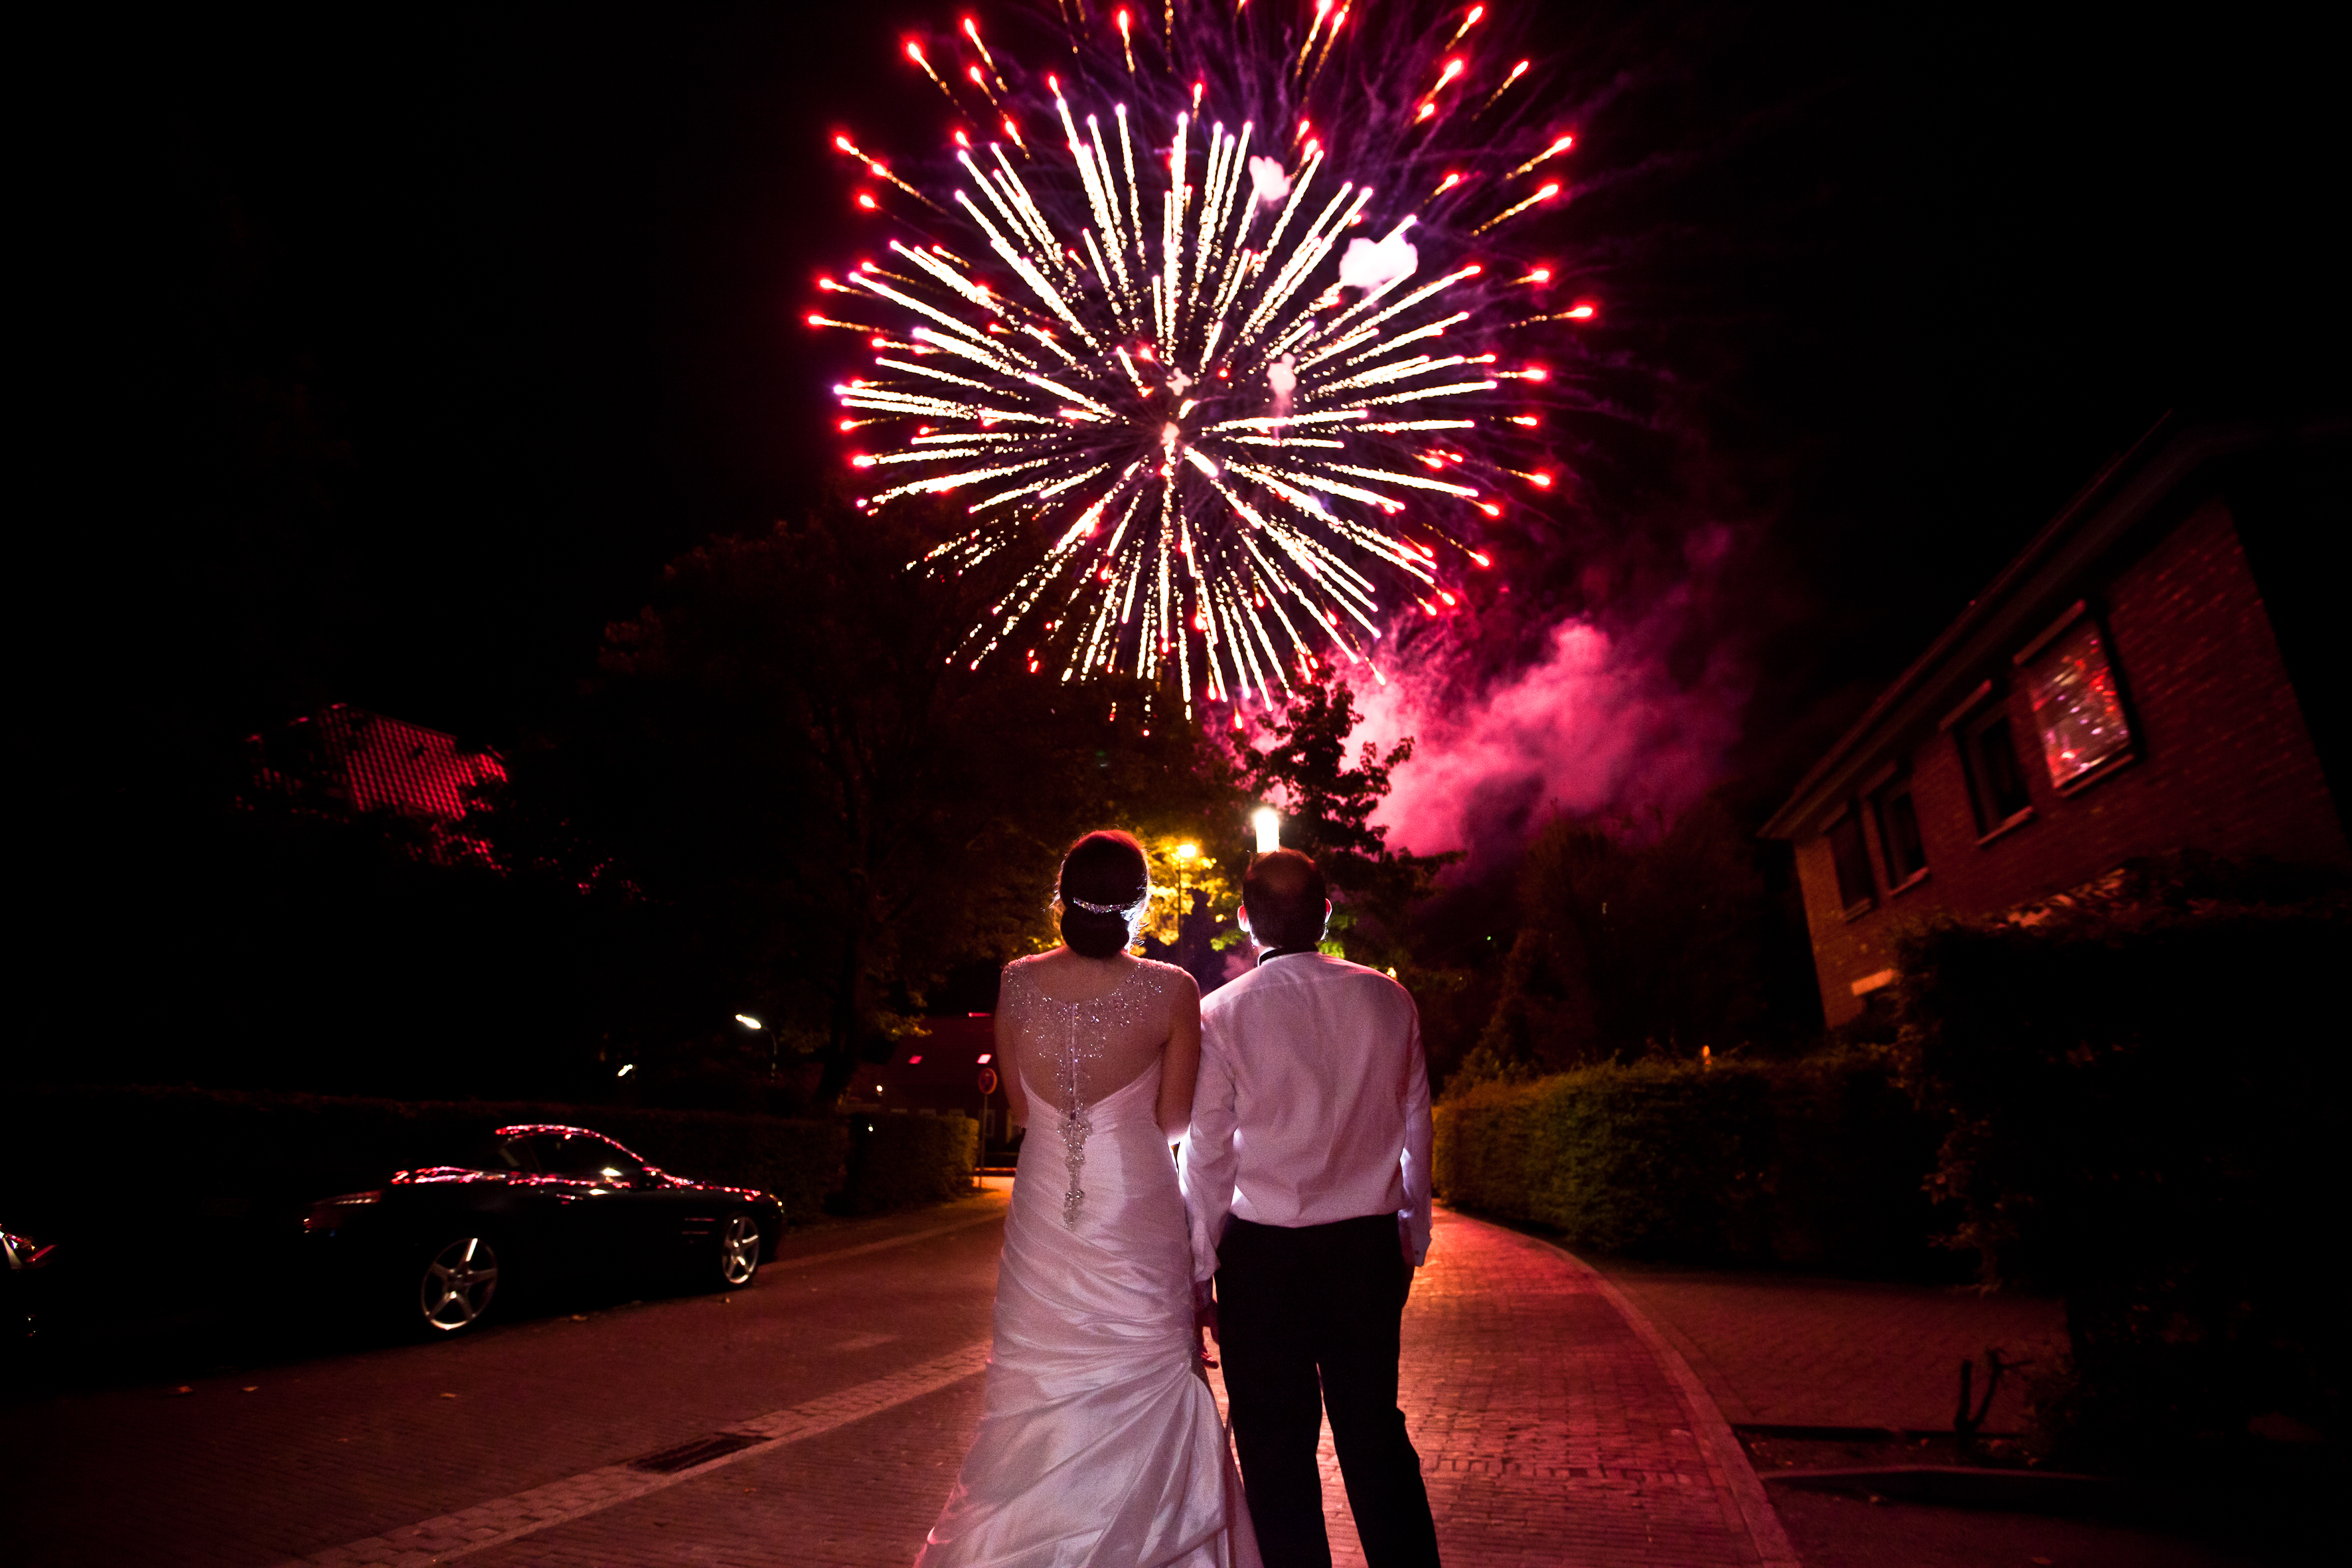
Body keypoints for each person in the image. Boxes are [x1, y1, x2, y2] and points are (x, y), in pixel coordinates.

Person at [917, 830, 1260, 1568]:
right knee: (1147, 1370)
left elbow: (1021, 1108)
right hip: (1134, 1202)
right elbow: (1173, 1121)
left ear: (1061, 897)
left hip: (1046, 1203)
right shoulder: (1172, 990)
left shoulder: (1015, 980)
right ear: (1140, 904)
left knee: (1034, 1383)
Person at [1181, 849, 1440, 1568]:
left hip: (1262, 1259)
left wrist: (1197, 1270)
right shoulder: (1390, 999)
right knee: (1375, 1436)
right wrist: (1410, 1239)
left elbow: (1208, 1154)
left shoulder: (1222, 1015)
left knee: (1274, 1450)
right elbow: (1417, 1127)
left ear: (1243, 920)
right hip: (1363, 1250)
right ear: (1326, 913)